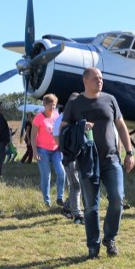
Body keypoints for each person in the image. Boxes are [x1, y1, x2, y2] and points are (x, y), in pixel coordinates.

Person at [62, 68, 135, 259]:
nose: (100, 81)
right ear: (85, 80)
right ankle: (93, 246)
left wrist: (129, 152)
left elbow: (120, 125)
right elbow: (63, 130)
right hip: (87, 162)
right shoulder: (75, 104)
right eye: (95, 78)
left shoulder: (110, 99)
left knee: (117, 199)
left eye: (101, 78)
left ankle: (109, 238)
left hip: (111, 159)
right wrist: (79, 127)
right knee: (91, 206)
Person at [54, 94, 84, 224]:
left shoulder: (77, 117)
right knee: (76, 184)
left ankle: (67, 207)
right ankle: (76, 213)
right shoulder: (62, 119)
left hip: (78, 155)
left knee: (75, 184)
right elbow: (57, 136)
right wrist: (66, 149)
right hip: (68, 156)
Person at [31, 94, 66, 207]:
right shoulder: (38, 118)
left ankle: (60, 197)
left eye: (54, 105)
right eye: (50, 105)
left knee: (61, 173)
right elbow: (32, 136)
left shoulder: (57, 115)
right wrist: (34, 151)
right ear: (44, 105)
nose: (52, 107)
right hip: (42, 150)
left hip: (56, 149)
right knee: (46, 175)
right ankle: (47, 201)